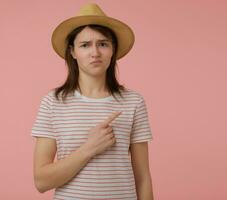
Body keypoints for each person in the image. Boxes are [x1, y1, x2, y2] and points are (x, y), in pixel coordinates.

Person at [31, 3, 154, 200]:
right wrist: (90, 148)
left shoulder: (133, 102)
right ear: (72, 52)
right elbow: (42, 181)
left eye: (103, 44)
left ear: (112, 49)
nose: (95, 53)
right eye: (85, 45)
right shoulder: (52, 103)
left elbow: (143, 178)